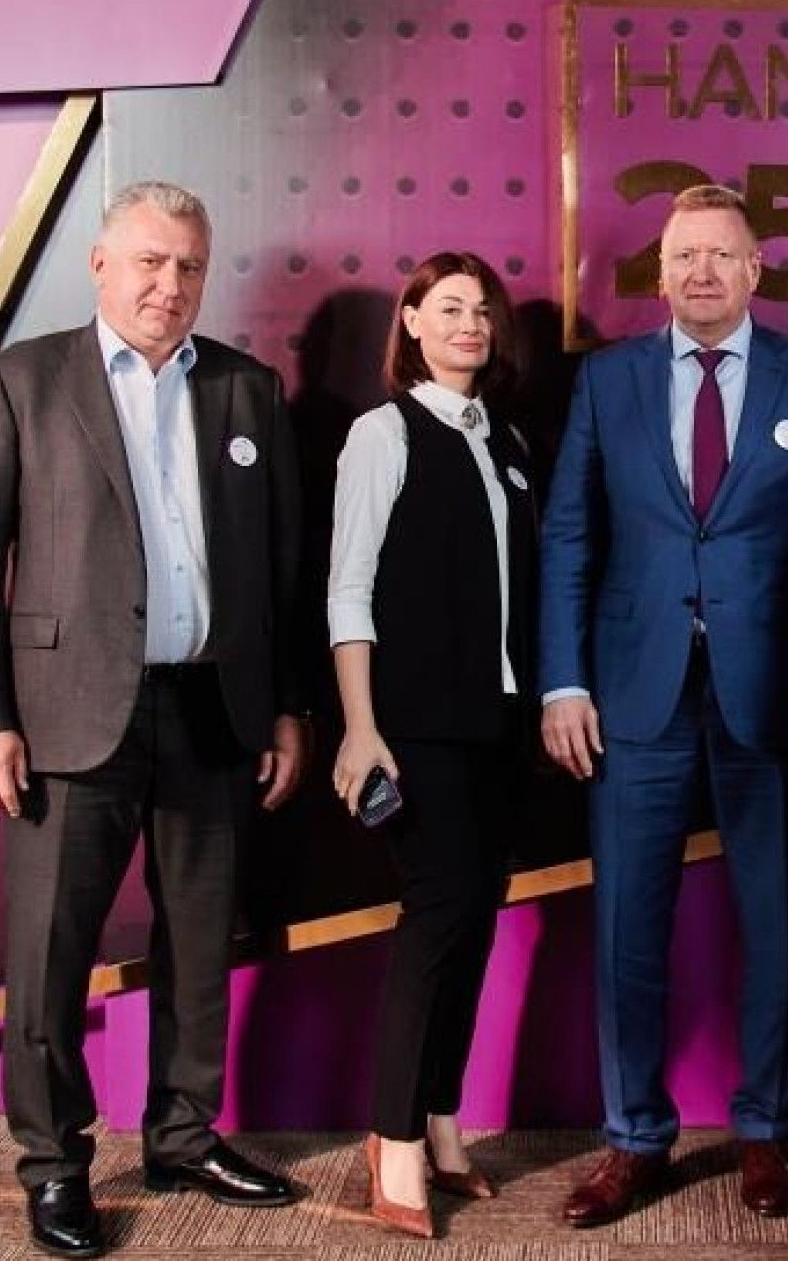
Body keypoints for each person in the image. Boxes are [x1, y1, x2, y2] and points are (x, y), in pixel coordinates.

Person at [0, 181, 305, 1259]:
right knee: (50, 954)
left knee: (200, 943)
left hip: (213, 707)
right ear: (100, 264)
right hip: (66, 715)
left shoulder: (247, 388)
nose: (169, 284)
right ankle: (54, 1162)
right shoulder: (21, 380)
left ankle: (184, 1136)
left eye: (189, 265)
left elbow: (280, 569)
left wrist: (287, 707)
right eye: (149, 261)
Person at [539, 183, 788, 1227]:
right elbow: (569, 534)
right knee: (628, 928)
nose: (702, 272)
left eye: (722, 255)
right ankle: (635, 1136)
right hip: (634, 694)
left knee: (774, 922)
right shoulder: (608, 379)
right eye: (684, 255)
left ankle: (766, 1129)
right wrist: (563, 678)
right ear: (660, 270)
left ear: (756, 270)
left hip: (770, 696)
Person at [325, 253, 536, 1239]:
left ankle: (442, 1116)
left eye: (481, 308)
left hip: (499, 720)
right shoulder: (383, 432)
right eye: (447, 307)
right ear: (411, 321)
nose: (469, 323)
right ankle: (394, 1134)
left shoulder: (506, 440)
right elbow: (349, 586)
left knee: (476, 916)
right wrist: (360, 725)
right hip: (414, 724)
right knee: (437, 914)